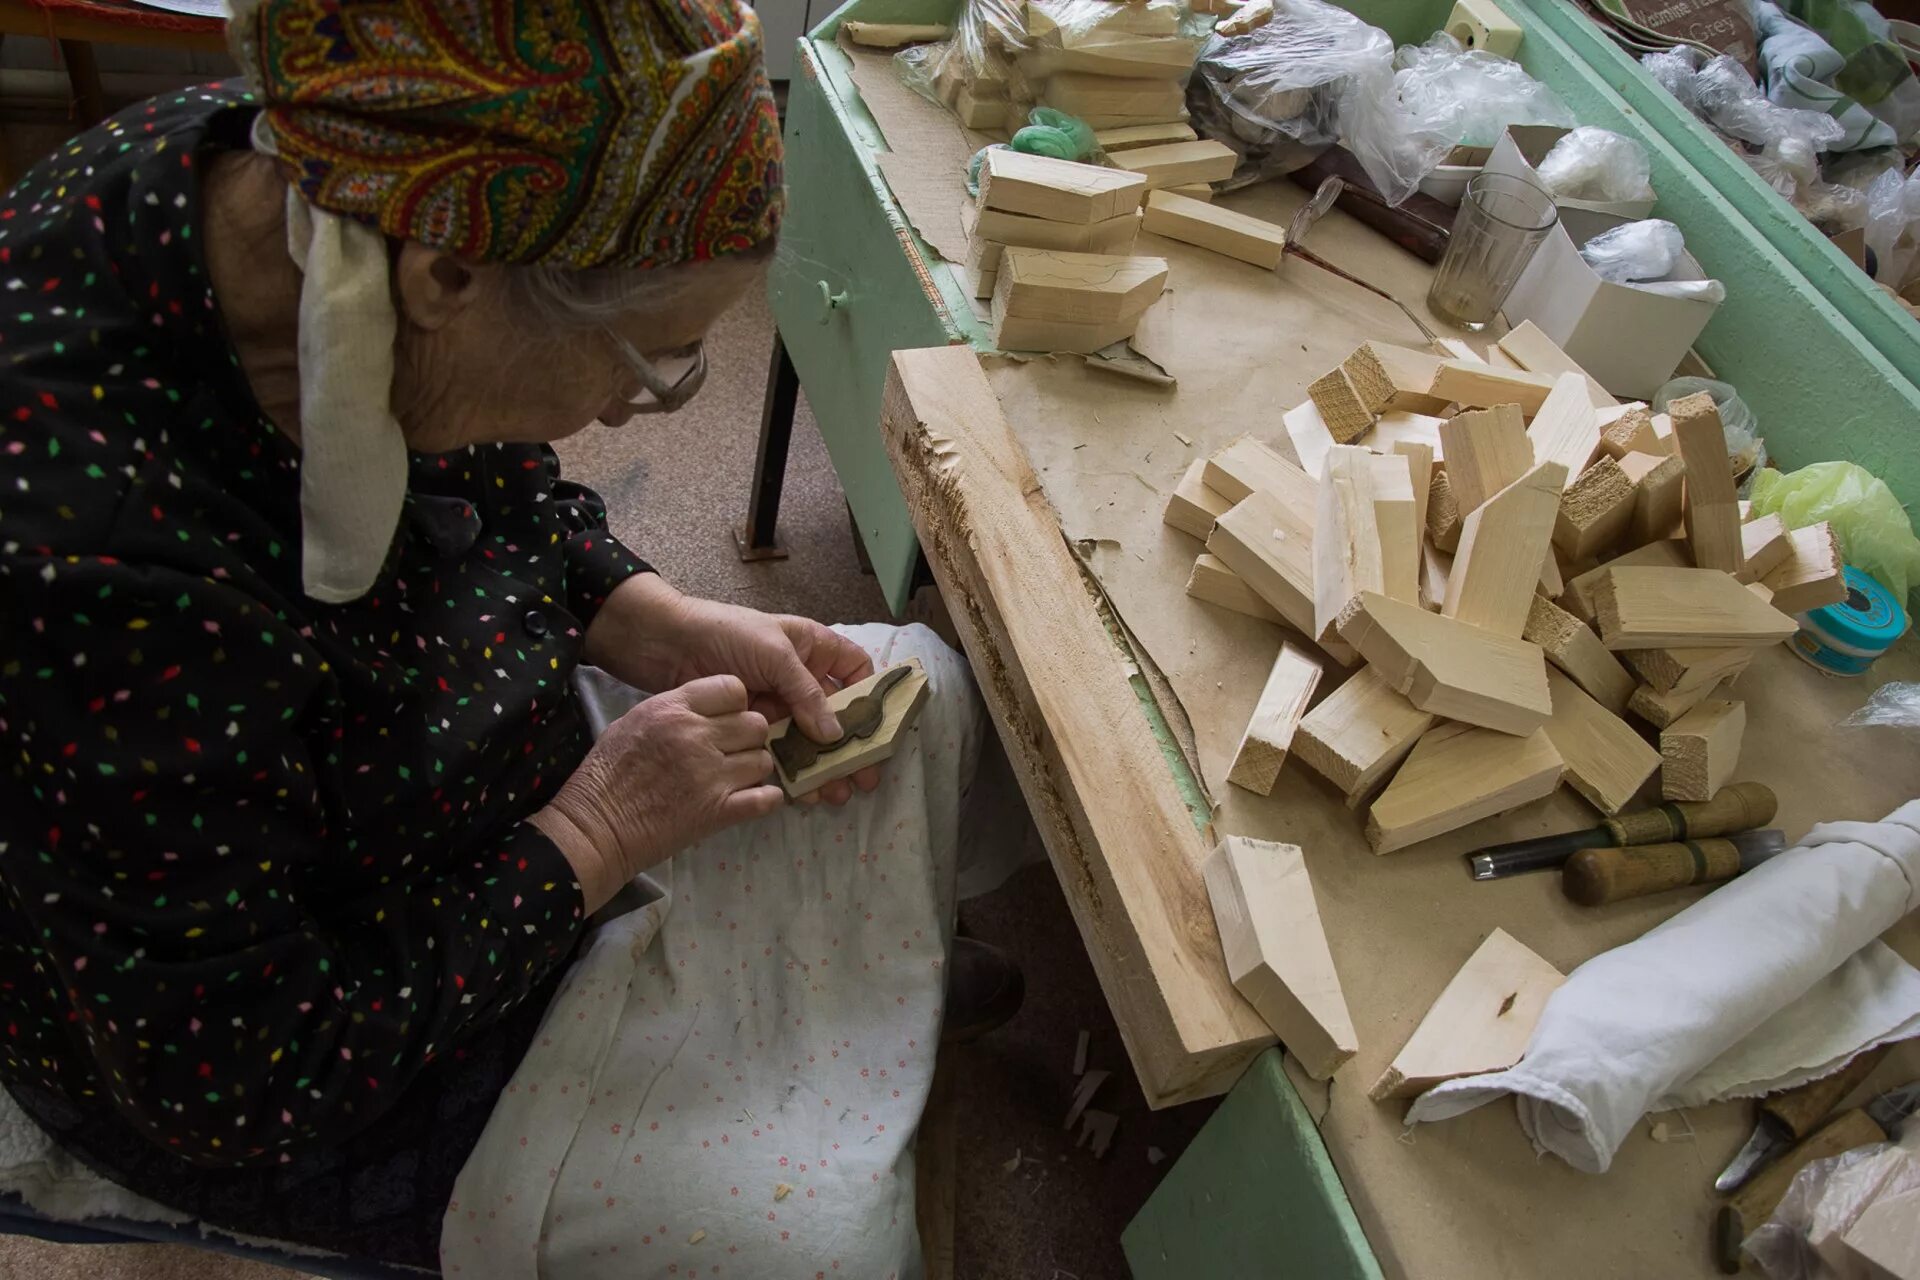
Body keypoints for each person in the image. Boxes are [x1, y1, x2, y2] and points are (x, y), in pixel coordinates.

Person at [0, 0, 1020, 1271]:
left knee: (914, 680)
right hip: (290, 1035)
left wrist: (649, 614)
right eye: (650, 365)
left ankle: (862, 995)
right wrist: (594, 832)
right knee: (820, 1249)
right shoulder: (84, 560)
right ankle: (817, 1018)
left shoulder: (341, 199)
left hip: (432, 749)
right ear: (446, 278)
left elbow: (502, 476)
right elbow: (241, 1078)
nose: (631, 415)